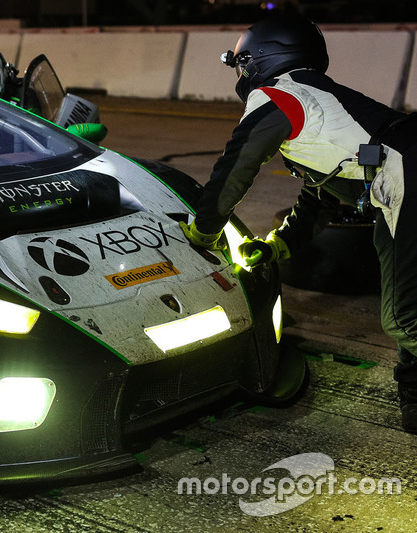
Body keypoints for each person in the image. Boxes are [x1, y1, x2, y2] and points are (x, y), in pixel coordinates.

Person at [178, 14, 417, 433]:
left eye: (241, 63)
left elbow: (238, 162)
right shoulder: (323, 105)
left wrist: (204, 229)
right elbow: (319, 196)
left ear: (258, 59)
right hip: (402, 178)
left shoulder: (279, 94)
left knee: (405, 318)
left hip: (408, 177)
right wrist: (276, 247)